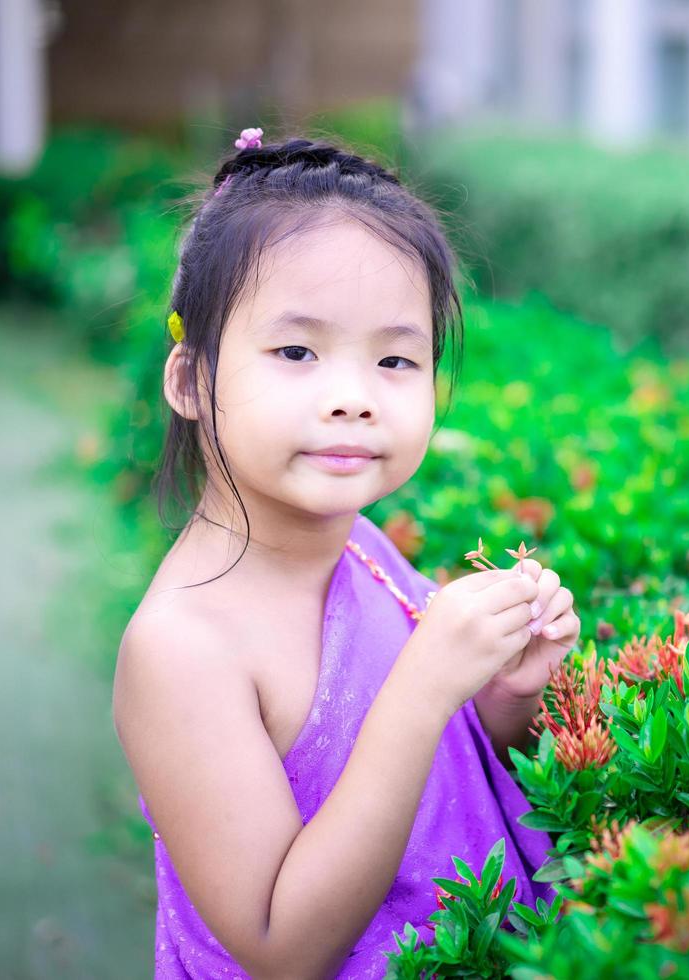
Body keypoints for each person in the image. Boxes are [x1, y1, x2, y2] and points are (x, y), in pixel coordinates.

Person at [110, 126, 581, 978]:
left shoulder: (357, 546)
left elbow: (447, 776)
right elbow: (281, 944)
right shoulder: (183, 648)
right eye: (297, 352)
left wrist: (509, 694)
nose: (354, 398)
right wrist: (428, 681)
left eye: (397, 358)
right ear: (188, 380)